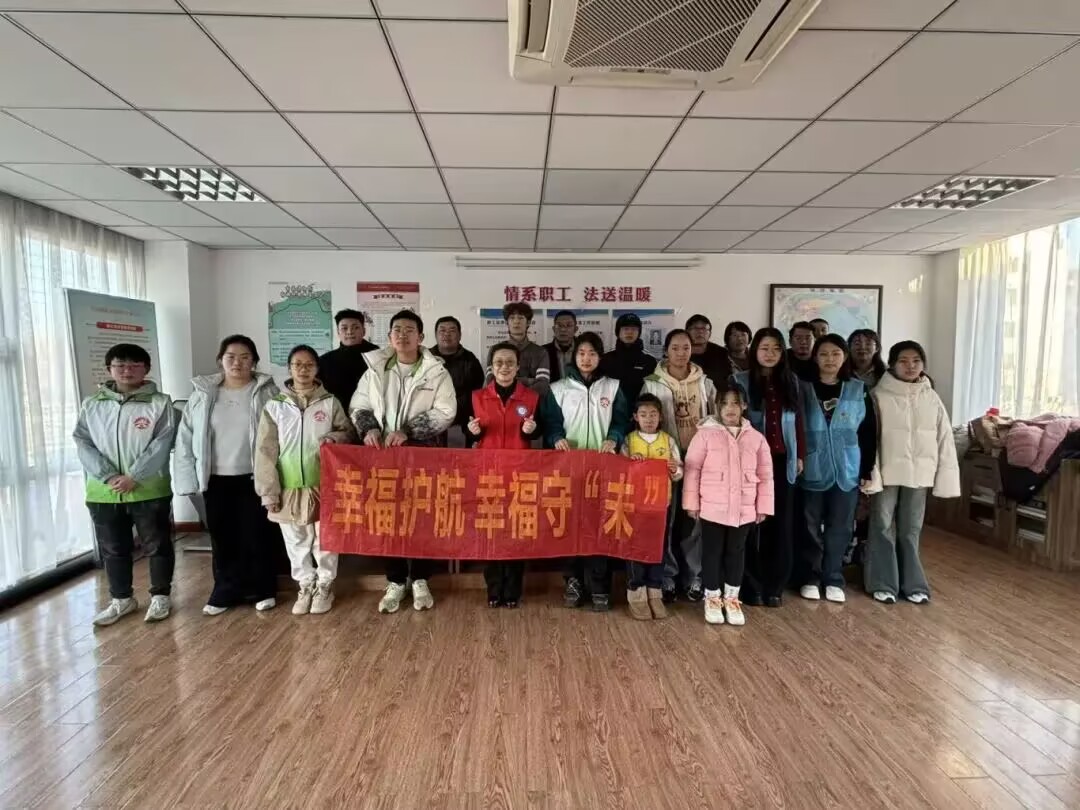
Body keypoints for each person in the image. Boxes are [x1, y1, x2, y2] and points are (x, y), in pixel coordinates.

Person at [351, 310, 457, 614]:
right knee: (389, 517)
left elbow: (446, 411)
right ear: (389, 337)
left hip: (422, 455)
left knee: (422, 517)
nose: (402, 335)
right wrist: (369, 427)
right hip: (383, 457)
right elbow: (359, 404)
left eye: (409, 330)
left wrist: (408, 431)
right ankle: (396, 580)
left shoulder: (437, 372)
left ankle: (421, 578)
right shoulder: (374, 369)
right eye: (397, 329)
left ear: (420, 337)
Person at [174, 334, 281, 616]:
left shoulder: (267, 392)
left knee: (258, 535)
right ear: (220, 360)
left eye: (245, 357)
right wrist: (187, 480)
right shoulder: (203, 395)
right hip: (215, 478)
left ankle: (263, 589)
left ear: (254, 362)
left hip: (254, 476)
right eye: (231, 357)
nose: (237, 363)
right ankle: (224, 590)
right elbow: (185, 439)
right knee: (223, 537)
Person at [74, 344, 178, 627]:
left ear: (146, 369)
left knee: (157, 545)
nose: (127, 370)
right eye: (120, 365)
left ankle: (160, 596)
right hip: (104, 491)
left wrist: (135, 476)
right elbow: (82, 442)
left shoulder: (160, 403)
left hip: (149, 488)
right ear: (109, 369)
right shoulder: (92, 404)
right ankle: (121, 599)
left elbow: (162, 442)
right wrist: (108, 476)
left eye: (134, 365)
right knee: (113, 549)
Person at [255, 345, 354, 616]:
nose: (303, 369)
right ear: (289, 368)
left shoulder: (330, 402)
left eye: (309, 364)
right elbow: (264, 451)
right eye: (297, 364)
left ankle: (325, 585)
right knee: (296, 540)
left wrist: (334, 437)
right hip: (288, 486)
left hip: (324, 484)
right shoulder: (275, 406)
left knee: (325, 539)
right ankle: (305, 584)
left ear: (317, 369)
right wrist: (268, 491)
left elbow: (347, 432)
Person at [540, 332, 629, 611]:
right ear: (574, 356)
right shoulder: (558, 388)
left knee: (600, 525)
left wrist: (614, 437)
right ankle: (573, 581)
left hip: (603, 470)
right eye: (581, 353)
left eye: (592, 353)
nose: (586, 359)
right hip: (569, 470)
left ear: (600, 356)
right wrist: (556, 437)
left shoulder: (613, 387)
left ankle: (600, 584)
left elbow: (621, 420)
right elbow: (550, 423)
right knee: (570, 526)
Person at [865, 341, 960, 604]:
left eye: (916, 361)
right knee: (882, 526)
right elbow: (870, 439)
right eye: (903, 361)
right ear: (892, 364)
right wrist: (872, 472)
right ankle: (883, 583)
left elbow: (944, 438)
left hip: (920, 474)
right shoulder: (878, 395)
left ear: (923, 364)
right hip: (886, 472)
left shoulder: (931, 397)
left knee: (911, 529)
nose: (910, 366)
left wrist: (945, 475)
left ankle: (914, 584)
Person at [683, 382, 774, 626]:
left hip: (744, 509)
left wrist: (763, 507)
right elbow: (692, 469)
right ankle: (712, 598)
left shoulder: (756, 438)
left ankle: (732, 598)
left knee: (736, 552)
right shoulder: (705, 435)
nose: (730, 408)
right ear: (717, 407)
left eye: (735, 403)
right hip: (712, 507)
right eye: (724, 403)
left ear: (744, 406)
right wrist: (692, 503)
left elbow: (766, 475)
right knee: (712, 553)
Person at [797, 334, 877, 604]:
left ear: (844, 357)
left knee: (841, 527)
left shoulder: (858, 389)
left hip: (847, 468)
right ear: (815, 358)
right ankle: (810, 577)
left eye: (835, 354)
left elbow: (868, 432)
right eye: (823, 354)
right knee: (809, 526)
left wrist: (866, 469)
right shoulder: (803, 388)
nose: (829, 359)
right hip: (812, 466)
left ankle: (833, 577)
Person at [641, 329, 717, 602]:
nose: (681, 353)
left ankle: (694, 577)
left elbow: (716, 418)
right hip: (665, 461)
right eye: (675, 348)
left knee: (695, 520)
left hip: (699, 461)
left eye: (686, 347)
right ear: (666, 351)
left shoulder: (705, 383)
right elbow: (644, 419)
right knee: (667, 520)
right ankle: (668, 578)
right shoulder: (652, 383)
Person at [731, 328, 805, 608]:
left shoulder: (792, 382)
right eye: (764, 348)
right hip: (750, 463)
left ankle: (775, 586)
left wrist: (800, 456)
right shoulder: (739, 381)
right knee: (750, 524)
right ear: (755, 351)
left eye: (776, 348)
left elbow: (799, 421)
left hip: (782, 460)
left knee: (781, 524)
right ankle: (751, 585)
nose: (770, 354)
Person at [469, 342, 541, 608]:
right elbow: (470, 431)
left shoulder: (531, 397)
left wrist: (531, 430)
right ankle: (494, 588)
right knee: (491, 532)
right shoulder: (477, 396)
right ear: (491, 366)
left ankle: (513, 589)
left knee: (515, 532)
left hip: (519, 474)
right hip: (488, 475)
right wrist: (473, 432)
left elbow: (538, 431)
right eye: (499, 362)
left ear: (518, 366)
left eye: (510, 362)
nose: (504, 367)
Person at [621, 393, 682, 621]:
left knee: (658, 547)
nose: (649, 419)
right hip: (635, 506)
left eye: (653, 414)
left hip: (660, 505)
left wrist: (674, 469)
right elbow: (620, 470)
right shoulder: (629, 441)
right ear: (635, 417)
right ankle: (636, 590)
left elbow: (679, 471)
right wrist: (631, 463)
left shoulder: (668, 441)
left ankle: (654, 590)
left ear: (661, 417)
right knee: (635, 547)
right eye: (644, 414)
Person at [430, 316, 485, 446]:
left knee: (459, 456)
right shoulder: (426, 359)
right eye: (442, 330)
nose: (447, 334)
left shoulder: (470, 360)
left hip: (463, 420)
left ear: (460, 335)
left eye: (452, 330)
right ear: (436, 335)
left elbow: (476, 393)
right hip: (432, 419)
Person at [319, 309, 379, 412]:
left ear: (364, 331)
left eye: (355, 327)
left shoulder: (377, 356)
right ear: (338, 332)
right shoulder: (324, 361)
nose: (350, 332)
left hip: (372, 416)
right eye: (344, 328)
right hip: (336, 416)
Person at [488, 301, 550, 395]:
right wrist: (529, 380)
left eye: (521, 318)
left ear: (528, 322)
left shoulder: (541, 352)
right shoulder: (495, 350)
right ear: (507, 322)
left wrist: (507, 381)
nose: (516, 321)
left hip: (532, 403)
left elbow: (542, 386)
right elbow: (491, 382)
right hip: (502, 402)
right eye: (512, 318)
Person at [599, 312, 657, 403]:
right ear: (618, 332)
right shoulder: (606, 359)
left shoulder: (649, 361)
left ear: (639, 332)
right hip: (611, 409)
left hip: (641, 410)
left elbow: (654, 389)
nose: (630, 332)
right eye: (625, 329)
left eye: (634, 329)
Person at [684, 314, 730, 385]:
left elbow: (726, 380)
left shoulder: (721, 353)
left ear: (710, 334)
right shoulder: (679, 353)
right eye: (695, 328)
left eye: (704, 329)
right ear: (686, 332)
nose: (700, 332)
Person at [544, 309, 578, 383]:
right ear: (553, 329)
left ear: (575, 329)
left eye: (568, 325)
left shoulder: (583, 350)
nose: (563, 329)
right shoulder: (542, 352)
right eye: (559, 325)